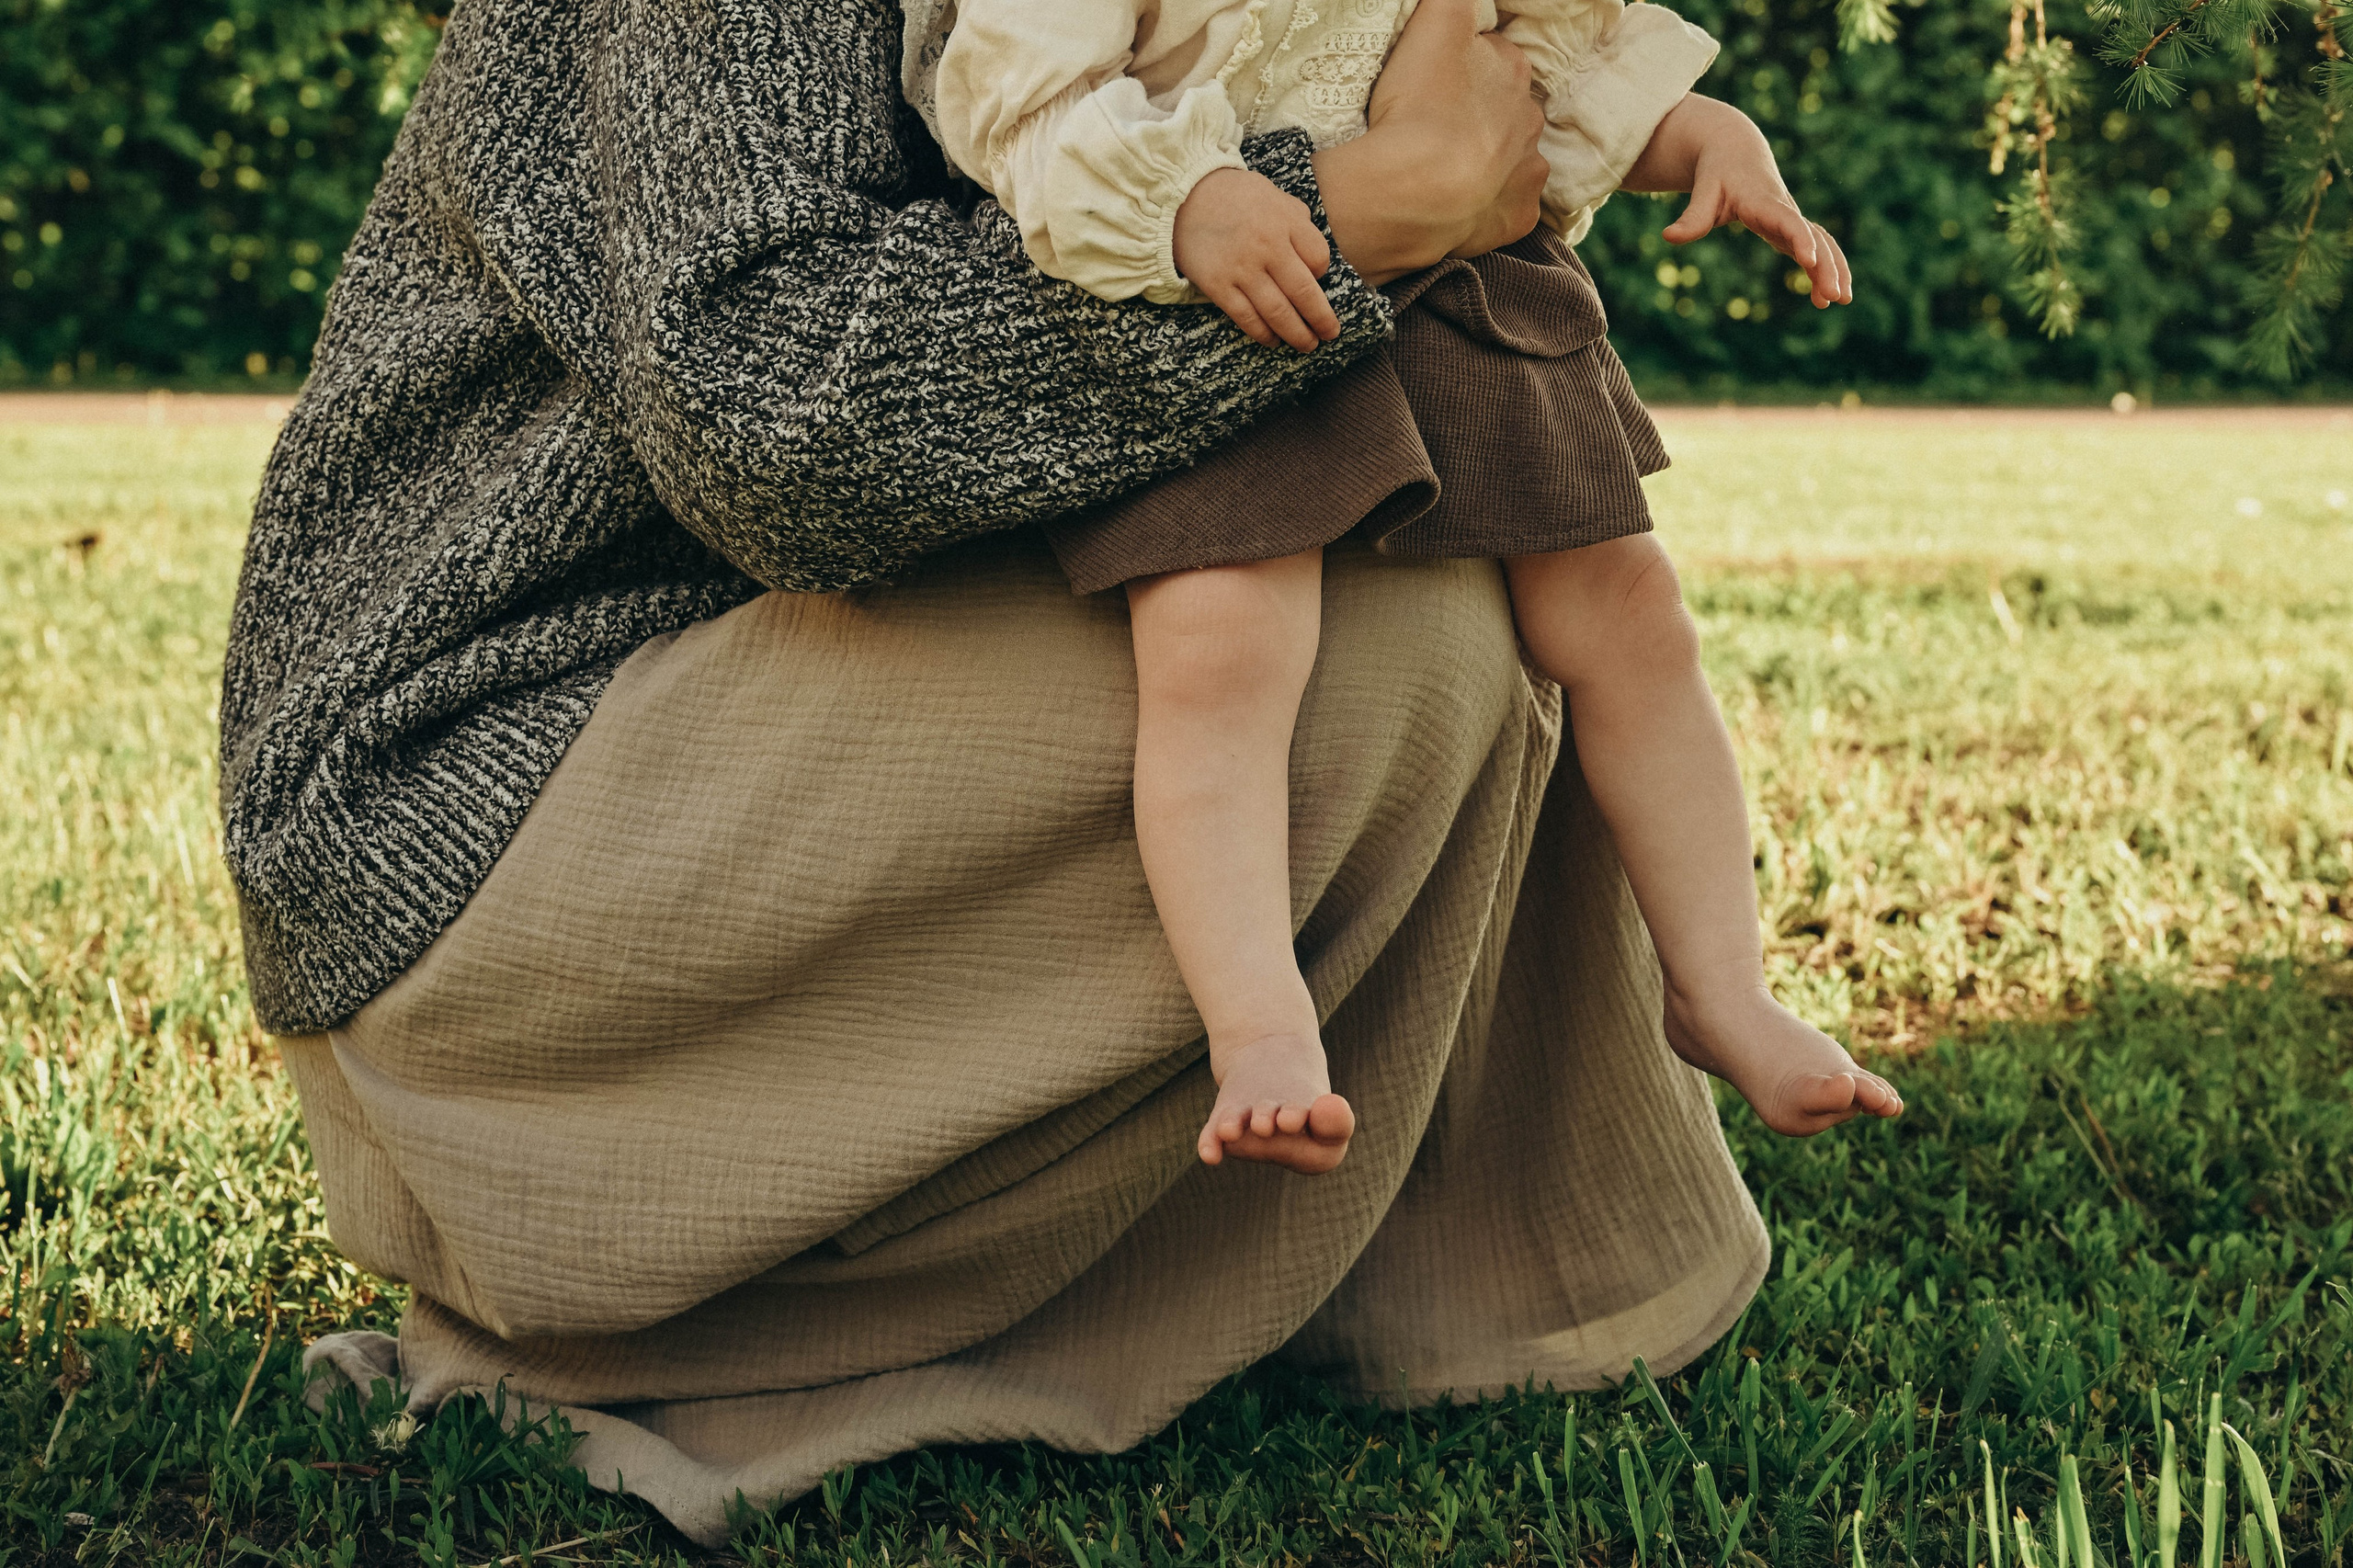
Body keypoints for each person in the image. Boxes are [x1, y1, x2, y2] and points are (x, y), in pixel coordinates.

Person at [233, 0, 1838, 1547]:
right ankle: (795, 1305)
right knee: (1370, 653)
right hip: (477, 787)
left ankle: (1303, 1237)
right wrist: (1351, 212)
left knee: (1480, 568)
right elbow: (770, 416)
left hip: (751, 651)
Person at [926, 0, 1899, 1170]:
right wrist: (1185, 200)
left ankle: (1721, 986)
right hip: (1230, 291)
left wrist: (1703, 137)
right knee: (1219, 641)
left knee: (1629, 609)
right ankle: (1262, 1033)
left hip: (1466, 272)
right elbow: (1015, 98)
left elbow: (1554, 71)